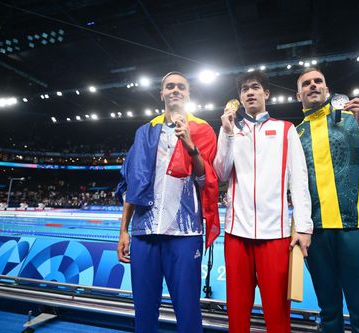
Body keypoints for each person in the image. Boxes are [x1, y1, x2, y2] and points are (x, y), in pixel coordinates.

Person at [115, 71, 220, 333]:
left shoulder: (203, 129)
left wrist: (190, 146)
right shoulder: (145, 132)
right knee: (144, 309)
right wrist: (123, 231)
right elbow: (132, 185)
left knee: (187, 310)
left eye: (180, 87)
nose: (175, 90)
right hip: (144, 232)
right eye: (169, 86)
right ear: (161, 93)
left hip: (184, 233)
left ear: (188, 93)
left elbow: (205, 180)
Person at [213, 71, 313, 332]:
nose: (250, 92)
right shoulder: (230, 130)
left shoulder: (285, 130)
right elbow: (221, 173)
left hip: (275, 234)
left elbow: (299, 181)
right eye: (244, 89)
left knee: (277, 311)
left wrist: (303, 227)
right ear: (240, 97)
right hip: (236, 233)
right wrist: (226, 134)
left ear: (266, 93)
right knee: (237, 309)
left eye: (255, 87)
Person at [295, 68, 359, 333]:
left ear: (327, 90)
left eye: (318, 82)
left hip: (354, 228)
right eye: (307, 83)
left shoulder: (353, 120)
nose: (313, 85)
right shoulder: (295, 134)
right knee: (329, 316)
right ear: (298, 94)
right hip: (317, 233)